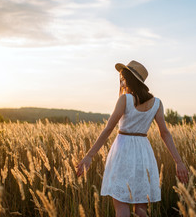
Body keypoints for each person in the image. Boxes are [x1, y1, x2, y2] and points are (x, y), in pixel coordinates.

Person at [76, 60, 189, 217]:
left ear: (129, 79)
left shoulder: (125, 99)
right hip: (144, 153)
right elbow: (165, 133)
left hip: (122, 152)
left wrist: (89, 155)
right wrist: (179, 162)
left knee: (122, 207)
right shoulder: (157, 103)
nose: (121, 81)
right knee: (141, 209)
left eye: (122, 78)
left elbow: (108, 129)